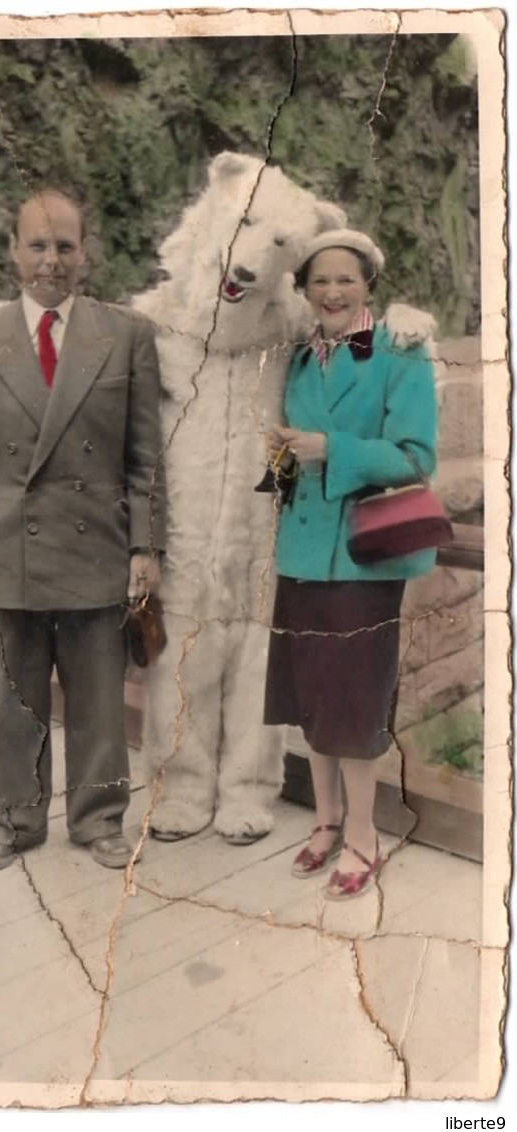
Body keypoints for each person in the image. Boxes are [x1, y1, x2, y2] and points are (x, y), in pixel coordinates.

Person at [0, 188, 166, 874]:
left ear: (85, 253)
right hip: (8, 543)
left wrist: (145, 546)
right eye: (37, 245)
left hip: (97, 538)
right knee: (13, 699)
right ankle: (13, 821)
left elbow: (144, 457)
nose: (52, 260)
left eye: (65, 245)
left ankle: (99, 821)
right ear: (14, 252)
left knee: (98, 694)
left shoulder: (125, 334)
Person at [264, 228, 438, 900]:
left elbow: (416, 456)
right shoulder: (302, 359)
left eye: (347, 280)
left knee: (356, 698)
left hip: (364, 558)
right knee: (312, 695)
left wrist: (327, 446)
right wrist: (286, 454)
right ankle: (326, 818)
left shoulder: (400, 352)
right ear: (304, 292)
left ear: (368, 284)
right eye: (319, 282)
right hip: (303, 553)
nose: (333, 292)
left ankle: (364, 836)